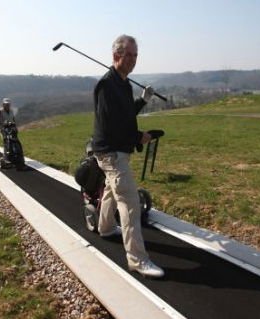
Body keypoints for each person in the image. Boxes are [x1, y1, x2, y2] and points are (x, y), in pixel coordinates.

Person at [92, 35, 164, 278]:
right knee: (130, 202)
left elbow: (126, 114)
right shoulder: (106, 86)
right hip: (110, 151)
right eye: (128, 55)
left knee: (114, 191)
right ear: (116, 56)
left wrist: (142, 101)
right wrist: (137, 137)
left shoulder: (123, 84)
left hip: (118, 149)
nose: (133, 60)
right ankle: (137, 259)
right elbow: (111, 125)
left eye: (135, 55)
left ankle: (105, 227)